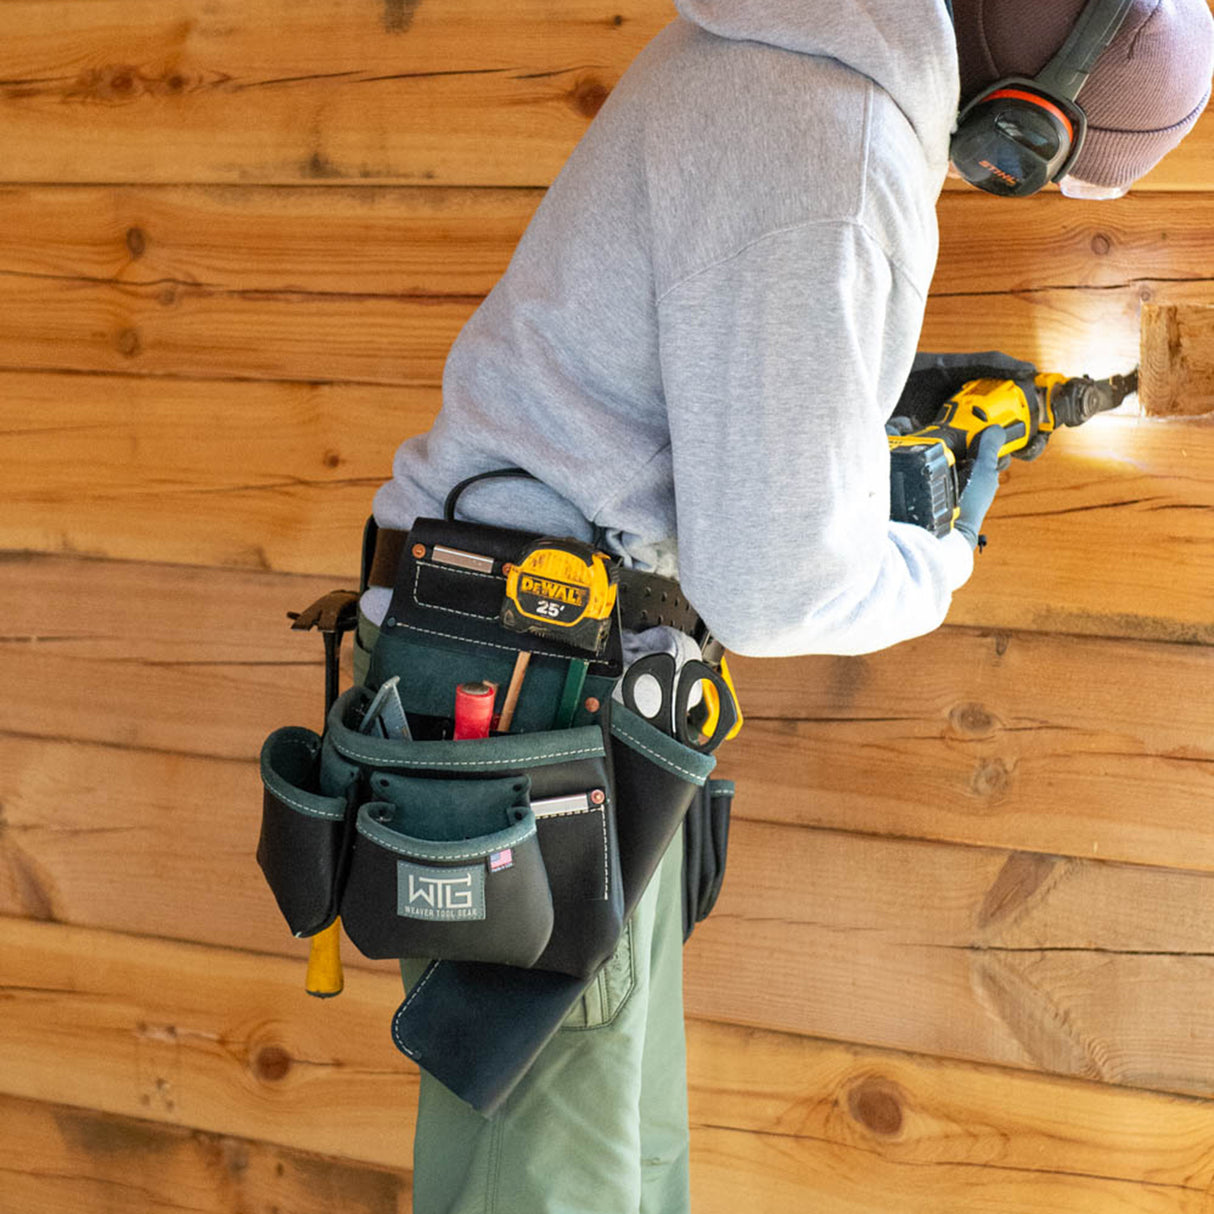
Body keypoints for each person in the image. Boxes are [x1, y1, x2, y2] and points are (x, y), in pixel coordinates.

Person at [355, 1, 1213, 1209]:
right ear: (1020, 123)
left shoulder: (781, 56)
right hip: (525, 683)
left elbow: (710, 363)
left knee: (619, 1145)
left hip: (566, 667)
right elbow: (771, 589)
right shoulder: (836, 149)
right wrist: (936, 552)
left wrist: (873, 420)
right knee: (541, 1173)